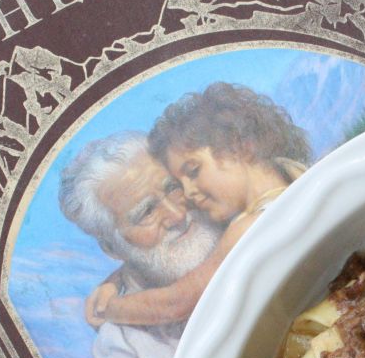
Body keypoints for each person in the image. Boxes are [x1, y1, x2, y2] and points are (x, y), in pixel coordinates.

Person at [85, 83, 312, 327]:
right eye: (179, 184)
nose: (189, 193)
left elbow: (176, 303)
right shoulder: (293, 174)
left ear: (241, 148)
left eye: (193, 171)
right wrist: (116, 280)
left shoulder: (246, 228)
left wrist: (111, 308)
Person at [58, 131, 222, 358]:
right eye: (146, 212)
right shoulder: (122, 351)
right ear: (112, 247)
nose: (177, 215)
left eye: (172, 187)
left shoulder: (231, 213)